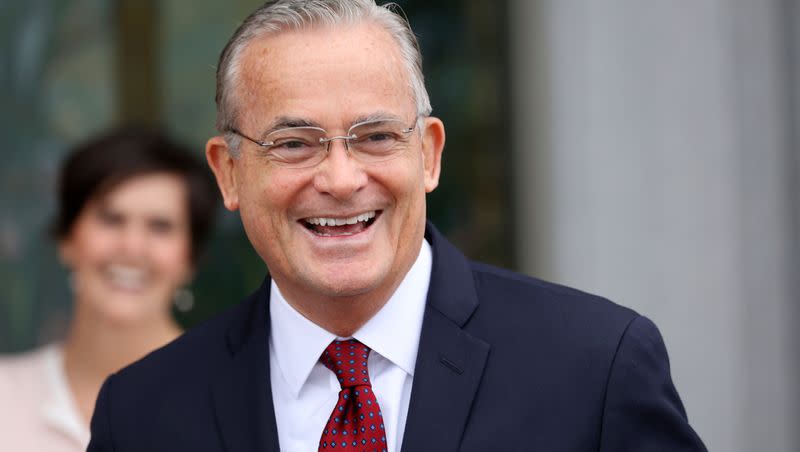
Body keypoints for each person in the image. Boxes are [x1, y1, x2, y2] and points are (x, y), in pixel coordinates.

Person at [87, 1, 707, 451]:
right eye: (295, 143)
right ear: (228, 174)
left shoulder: (596, 368)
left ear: (429, 155)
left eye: (376, 136)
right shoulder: (140, 414)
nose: (339, 178)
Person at [0, 127, 218, 452]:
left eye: (160, 226)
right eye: (111, 219)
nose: (131, 247)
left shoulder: (232, 401)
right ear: (66, 239)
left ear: (190, 259)